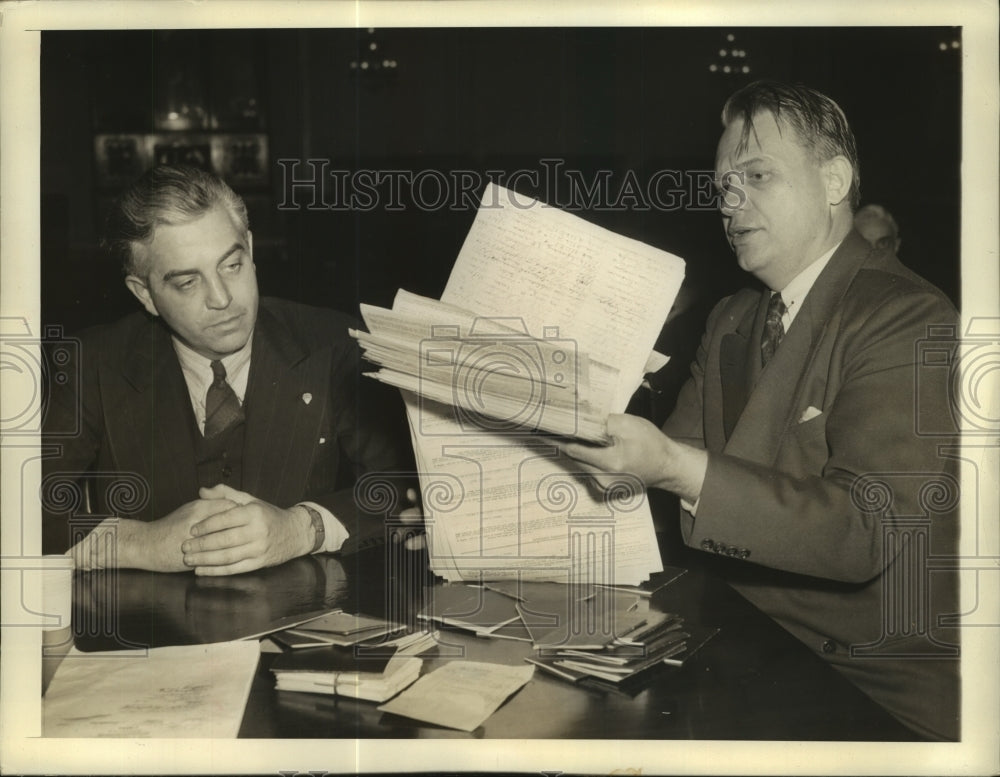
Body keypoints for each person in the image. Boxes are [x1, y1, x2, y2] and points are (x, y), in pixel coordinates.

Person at [560, 81, 959, 740]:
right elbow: (655, 476)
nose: (730, 201)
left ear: (834, 180)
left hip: (868, 687)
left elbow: (865, 529)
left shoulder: (906, 316)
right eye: (722, 186)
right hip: (740, 640)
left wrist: (672, 464)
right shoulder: (732, 318)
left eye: (757, 175)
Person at [42, 164, 416, 576]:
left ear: (251, 250)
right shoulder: (92, 363)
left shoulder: (335, 344)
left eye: (232, 266)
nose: (221, 298)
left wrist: (302, 528)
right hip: (150, 630)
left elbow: (401, 484)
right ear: (144, 294)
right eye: (187, 283)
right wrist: (142, 544)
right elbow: (21, 508)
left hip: (302, 621)